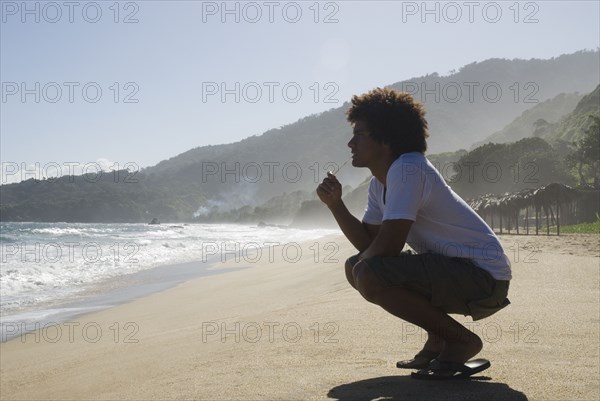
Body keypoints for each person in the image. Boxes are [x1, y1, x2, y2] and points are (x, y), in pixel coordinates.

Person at [316, 87, 511, 380]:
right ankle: (439, 338)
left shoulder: (407, 169)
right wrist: (336, 205)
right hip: (458, 272)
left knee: (366, 272)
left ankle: (461, 341)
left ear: (385, 139)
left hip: (483, 278)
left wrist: (362, 269)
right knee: (358, 267)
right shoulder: (379, 184)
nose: (350, 142)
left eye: (359, 134)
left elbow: (389, 246)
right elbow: (370, 244)